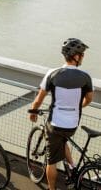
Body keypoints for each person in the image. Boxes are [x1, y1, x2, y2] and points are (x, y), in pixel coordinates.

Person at [29, 38, 94, 190]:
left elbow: (39, 98)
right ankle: (72, 168)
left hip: (55, 123)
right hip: (73, 124)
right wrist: (78, 107)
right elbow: (89, 99)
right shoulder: (85, 77)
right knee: (63, 140)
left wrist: (33, 111)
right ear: (75, 56)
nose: (83, 57)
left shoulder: (52, 73)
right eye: (82, 54)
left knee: (51, 162)